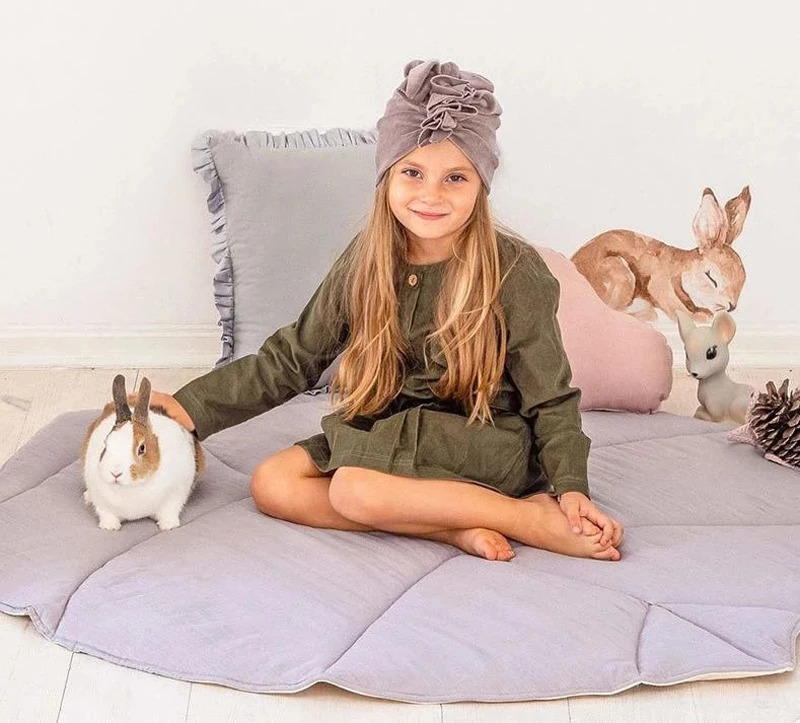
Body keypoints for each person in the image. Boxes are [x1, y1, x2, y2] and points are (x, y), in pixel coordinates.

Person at [136, 59, 624, 562]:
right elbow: (294, 358)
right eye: (412, 173)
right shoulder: (367, 262)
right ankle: (450, 527)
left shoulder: (513, 271)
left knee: (354, 490)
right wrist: (194, 406)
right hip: (391, 430)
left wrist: (570, 486)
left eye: (455, 177)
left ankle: (524, 516)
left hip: (484, 440)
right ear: (386, 177)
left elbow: (550, 397)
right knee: (272, 483)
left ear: (481, 186)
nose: (431, 195)